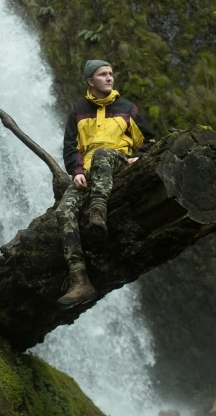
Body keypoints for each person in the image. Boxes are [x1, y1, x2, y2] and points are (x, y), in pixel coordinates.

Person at [56, 59, 155, 307]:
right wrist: (76, 171)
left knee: (102, 153)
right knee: (64, 211)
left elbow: (150, 142)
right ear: (91, 81)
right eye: (103, 74)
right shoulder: (78, 111)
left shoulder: (127, 109)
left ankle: (97, 213)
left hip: (117, 163)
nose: (109, 78)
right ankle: (79, 279)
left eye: (111, 74)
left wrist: (138, 158)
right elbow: (71, 147)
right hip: (89, 173)